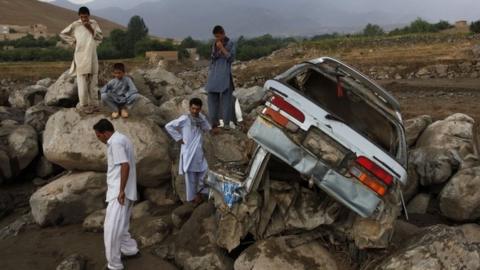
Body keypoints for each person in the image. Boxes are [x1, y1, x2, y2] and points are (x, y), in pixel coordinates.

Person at [93, 119, 139, 270]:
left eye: (98, 135)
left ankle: (114, 265)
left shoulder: (115, 142)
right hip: (127, 190)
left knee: (111, 229)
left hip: (119, 193)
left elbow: (124, 165)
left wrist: (120, 191)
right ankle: (130, 250)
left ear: (105, 133)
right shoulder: (122, 138)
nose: (98, 138)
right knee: (122, 226)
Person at [165, 98, 211, 203]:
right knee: (190, 175)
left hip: (198, 151)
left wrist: (203, 118)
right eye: (193, 108)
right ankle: (193, 198)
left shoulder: (201, 118)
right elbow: (169, 126)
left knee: (205, 170)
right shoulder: (184, 119)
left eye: (197, 109)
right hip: (188, 152)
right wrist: (179, 138)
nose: (195, 111)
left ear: (200, 109)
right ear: (190, 108)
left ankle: (200, 192)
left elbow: (208, 128)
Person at [60, 6, 103, 114]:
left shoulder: (94, 23)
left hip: (92, 55)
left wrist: (89, 28)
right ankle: (84, 105)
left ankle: (94, 104)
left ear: (89, 16)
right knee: (82, 81)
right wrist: (73, 42)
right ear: (79, 16)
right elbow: (63, 34)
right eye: (82, 17)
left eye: (86, 16)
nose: (84, 19)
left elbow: (99, 37)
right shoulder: (75, 25)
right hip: (81, 56)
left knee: (93, 80)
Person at [205, 25, 236, 132]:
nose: (217, 39)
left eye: (219, 36)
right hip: (214, 74)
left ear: (223, 33)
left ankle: (226, 123)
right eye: (215, 37)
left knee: (227, 101)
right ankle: (214, 122)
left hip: (225, 74)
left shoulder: (231, 44)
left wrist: (222, 48)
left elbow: (231, 58)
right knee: (212, 99)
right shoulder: (214, 44)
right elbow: (213, 58)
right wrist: (217, 49)